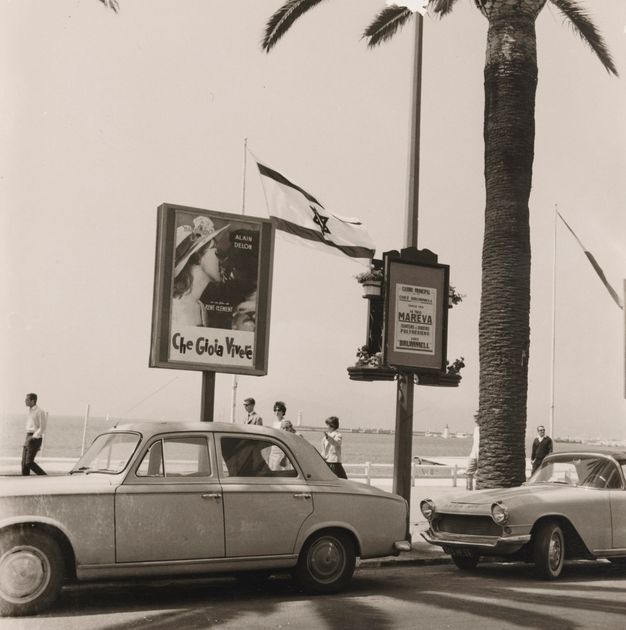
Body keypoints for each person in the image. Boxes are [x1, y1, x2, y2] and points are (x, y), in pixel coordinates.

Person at [171, 216, 230, 326]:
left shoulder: (200, 307)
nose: (223, 260)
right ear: (198, 255)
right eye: (217, 252)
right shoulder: (174, 308)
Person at [22, 393, 47, 476]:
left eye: (27, 400)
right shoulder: (30, 410)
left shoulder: (40, 411)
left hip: (35, 438)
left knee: (29, 462)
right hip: (28, 436)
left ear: (33, 401)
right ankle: (24, 483)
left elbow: (42, 427)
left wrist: (34, 437)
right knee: (24, 464)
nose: (25, 401)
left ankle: (44, 477)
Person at [465, 416, 480, 490]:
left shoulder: (484, 429)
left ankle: (478, 490)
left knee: (479, 473)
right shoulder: (475, 428)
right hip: (473, 453)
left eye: (477, 419)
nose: (475, 420)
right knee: (468, 472)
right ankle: (468, 490)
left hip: (480, 453)